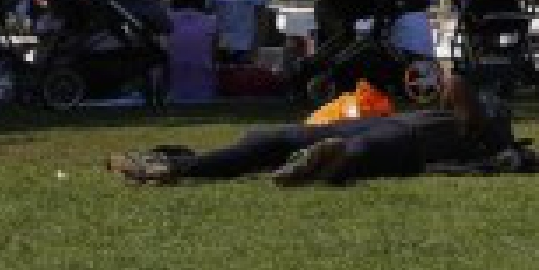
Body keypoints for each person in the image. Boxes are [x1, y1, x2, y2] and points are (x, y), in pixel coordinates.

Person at [107, 71, 514, 187]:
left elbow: (456, 84)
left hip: (403, 138)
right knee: (270, 139)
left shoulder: (476, 130)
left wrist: (451, 88)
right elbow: (455, 91)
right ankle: (177, 167)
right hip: (389, 128)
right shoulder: (460, 123)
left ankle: (182, 169)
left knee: (357, 150)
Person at [164, 0, 218, 104]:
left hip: (173, 85)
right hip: (205, 87)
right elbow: (213, 56)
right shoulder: (211, 22)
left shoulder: (166, 20)